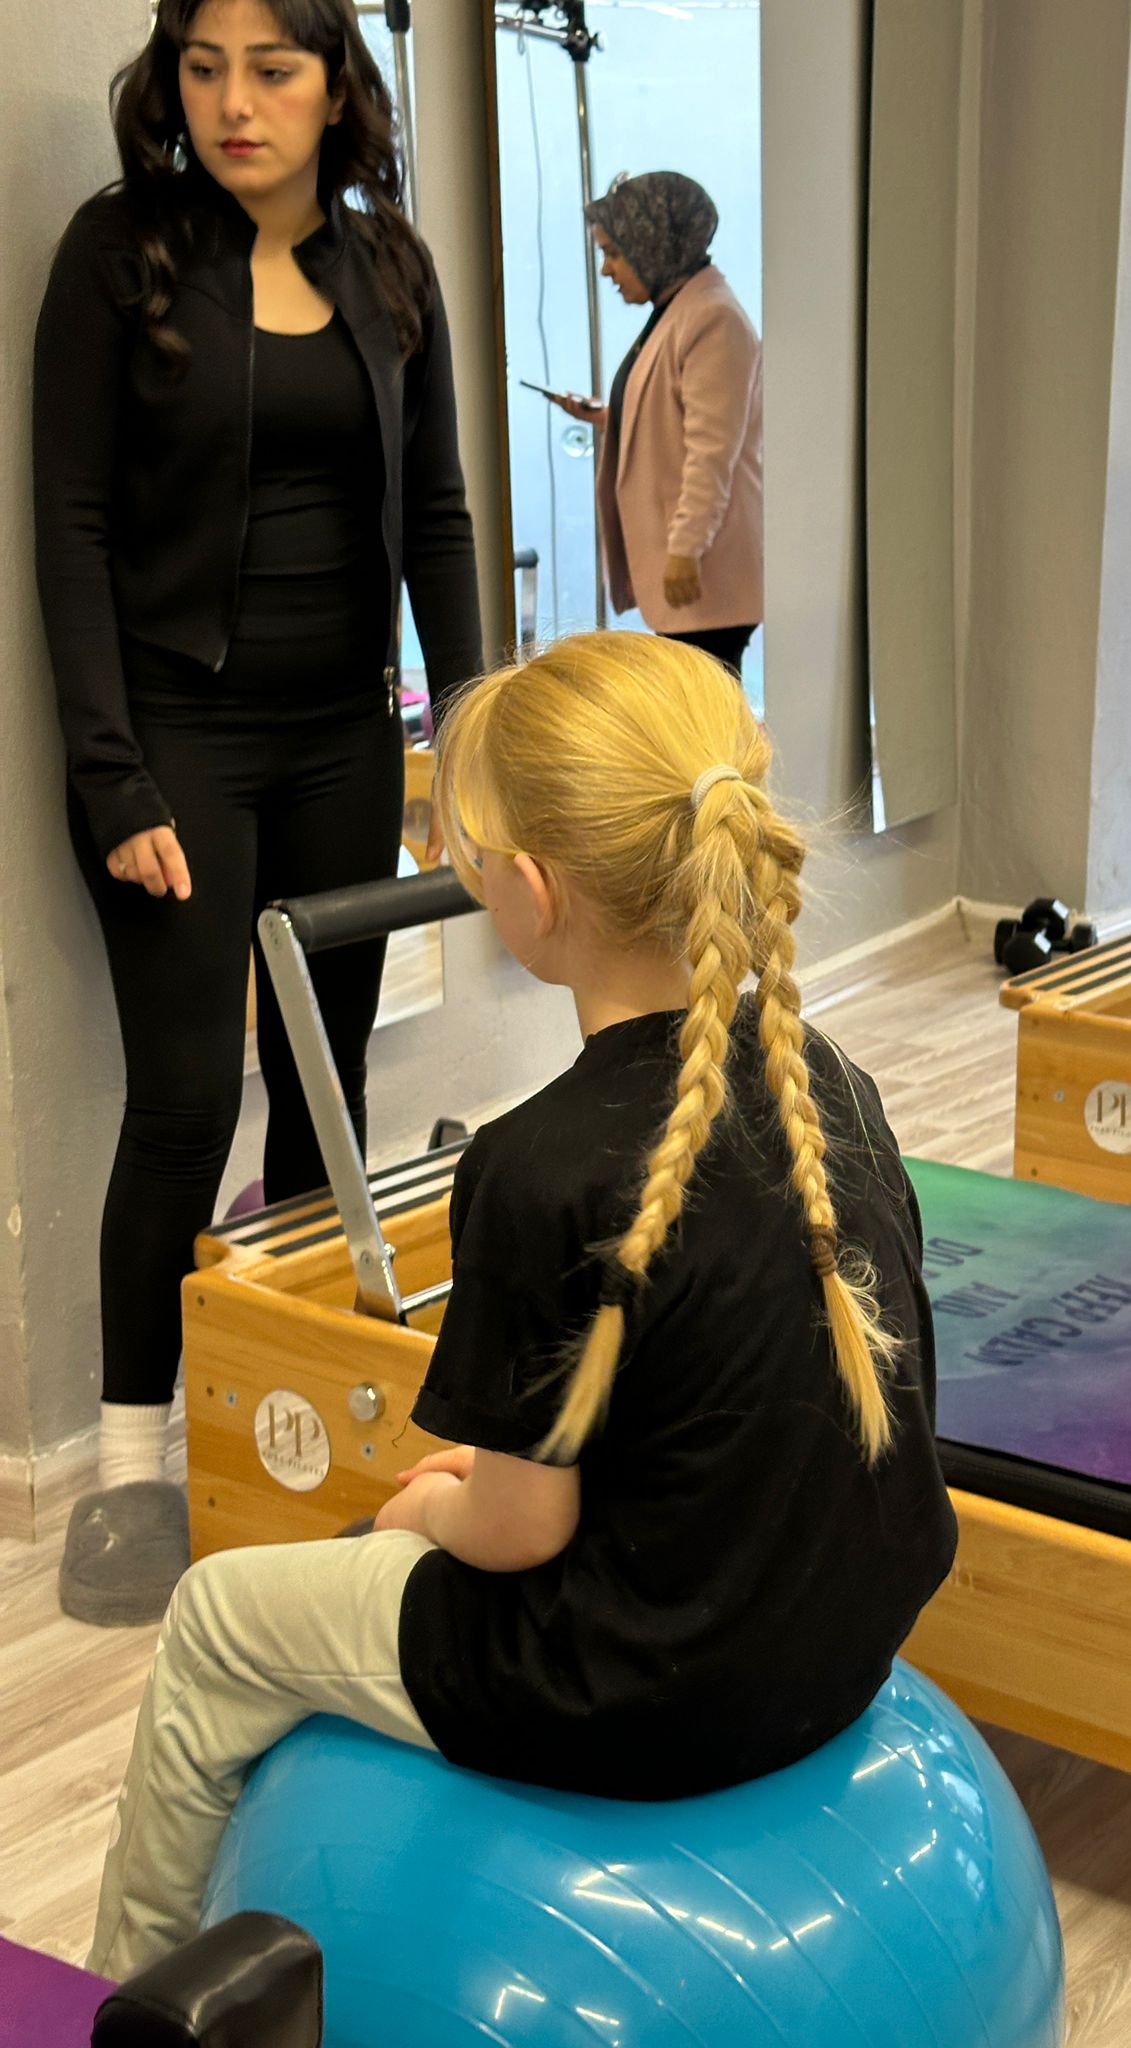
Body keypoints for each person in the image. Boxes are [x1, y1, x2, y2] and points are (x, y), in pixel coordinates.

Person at [86, 630, 959, 1979]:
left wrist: (431, 1509)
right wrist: (488, 1484)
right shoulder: (825, 1080)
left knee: (213, 1618)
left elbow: (517, 1529)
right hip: (845, 1642)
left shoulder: (535, 1165)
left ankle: (118, 2000)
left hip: (644, 1689)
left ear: (535, 894)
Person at [32, 0, 481, 1626]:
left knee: (321, 1086)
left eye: (273, 69)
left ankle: (289, 1429)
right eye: (205, 66)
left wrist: (473, 743)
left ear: (332, 85)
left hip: (343, 739)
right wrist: (112, 773)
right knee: (176, 1107)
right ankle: (131, 1467)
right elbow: (71, 524)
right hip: (179, 742)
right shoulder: (121, 256)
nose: (235, 101)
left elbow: (438, 518)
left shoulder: (390, 268)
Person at [545, 172, 763, 677]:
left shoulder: (712, 318)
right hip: (692, 576)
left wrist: (685, 549)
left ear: (652, 245)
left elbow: (712, 452)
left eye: (613, 253)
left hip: (706, 576)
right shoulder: (680, 309)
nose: (606, 270)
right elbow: (677, 413)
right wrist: (608, 416)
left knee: (701, 710)